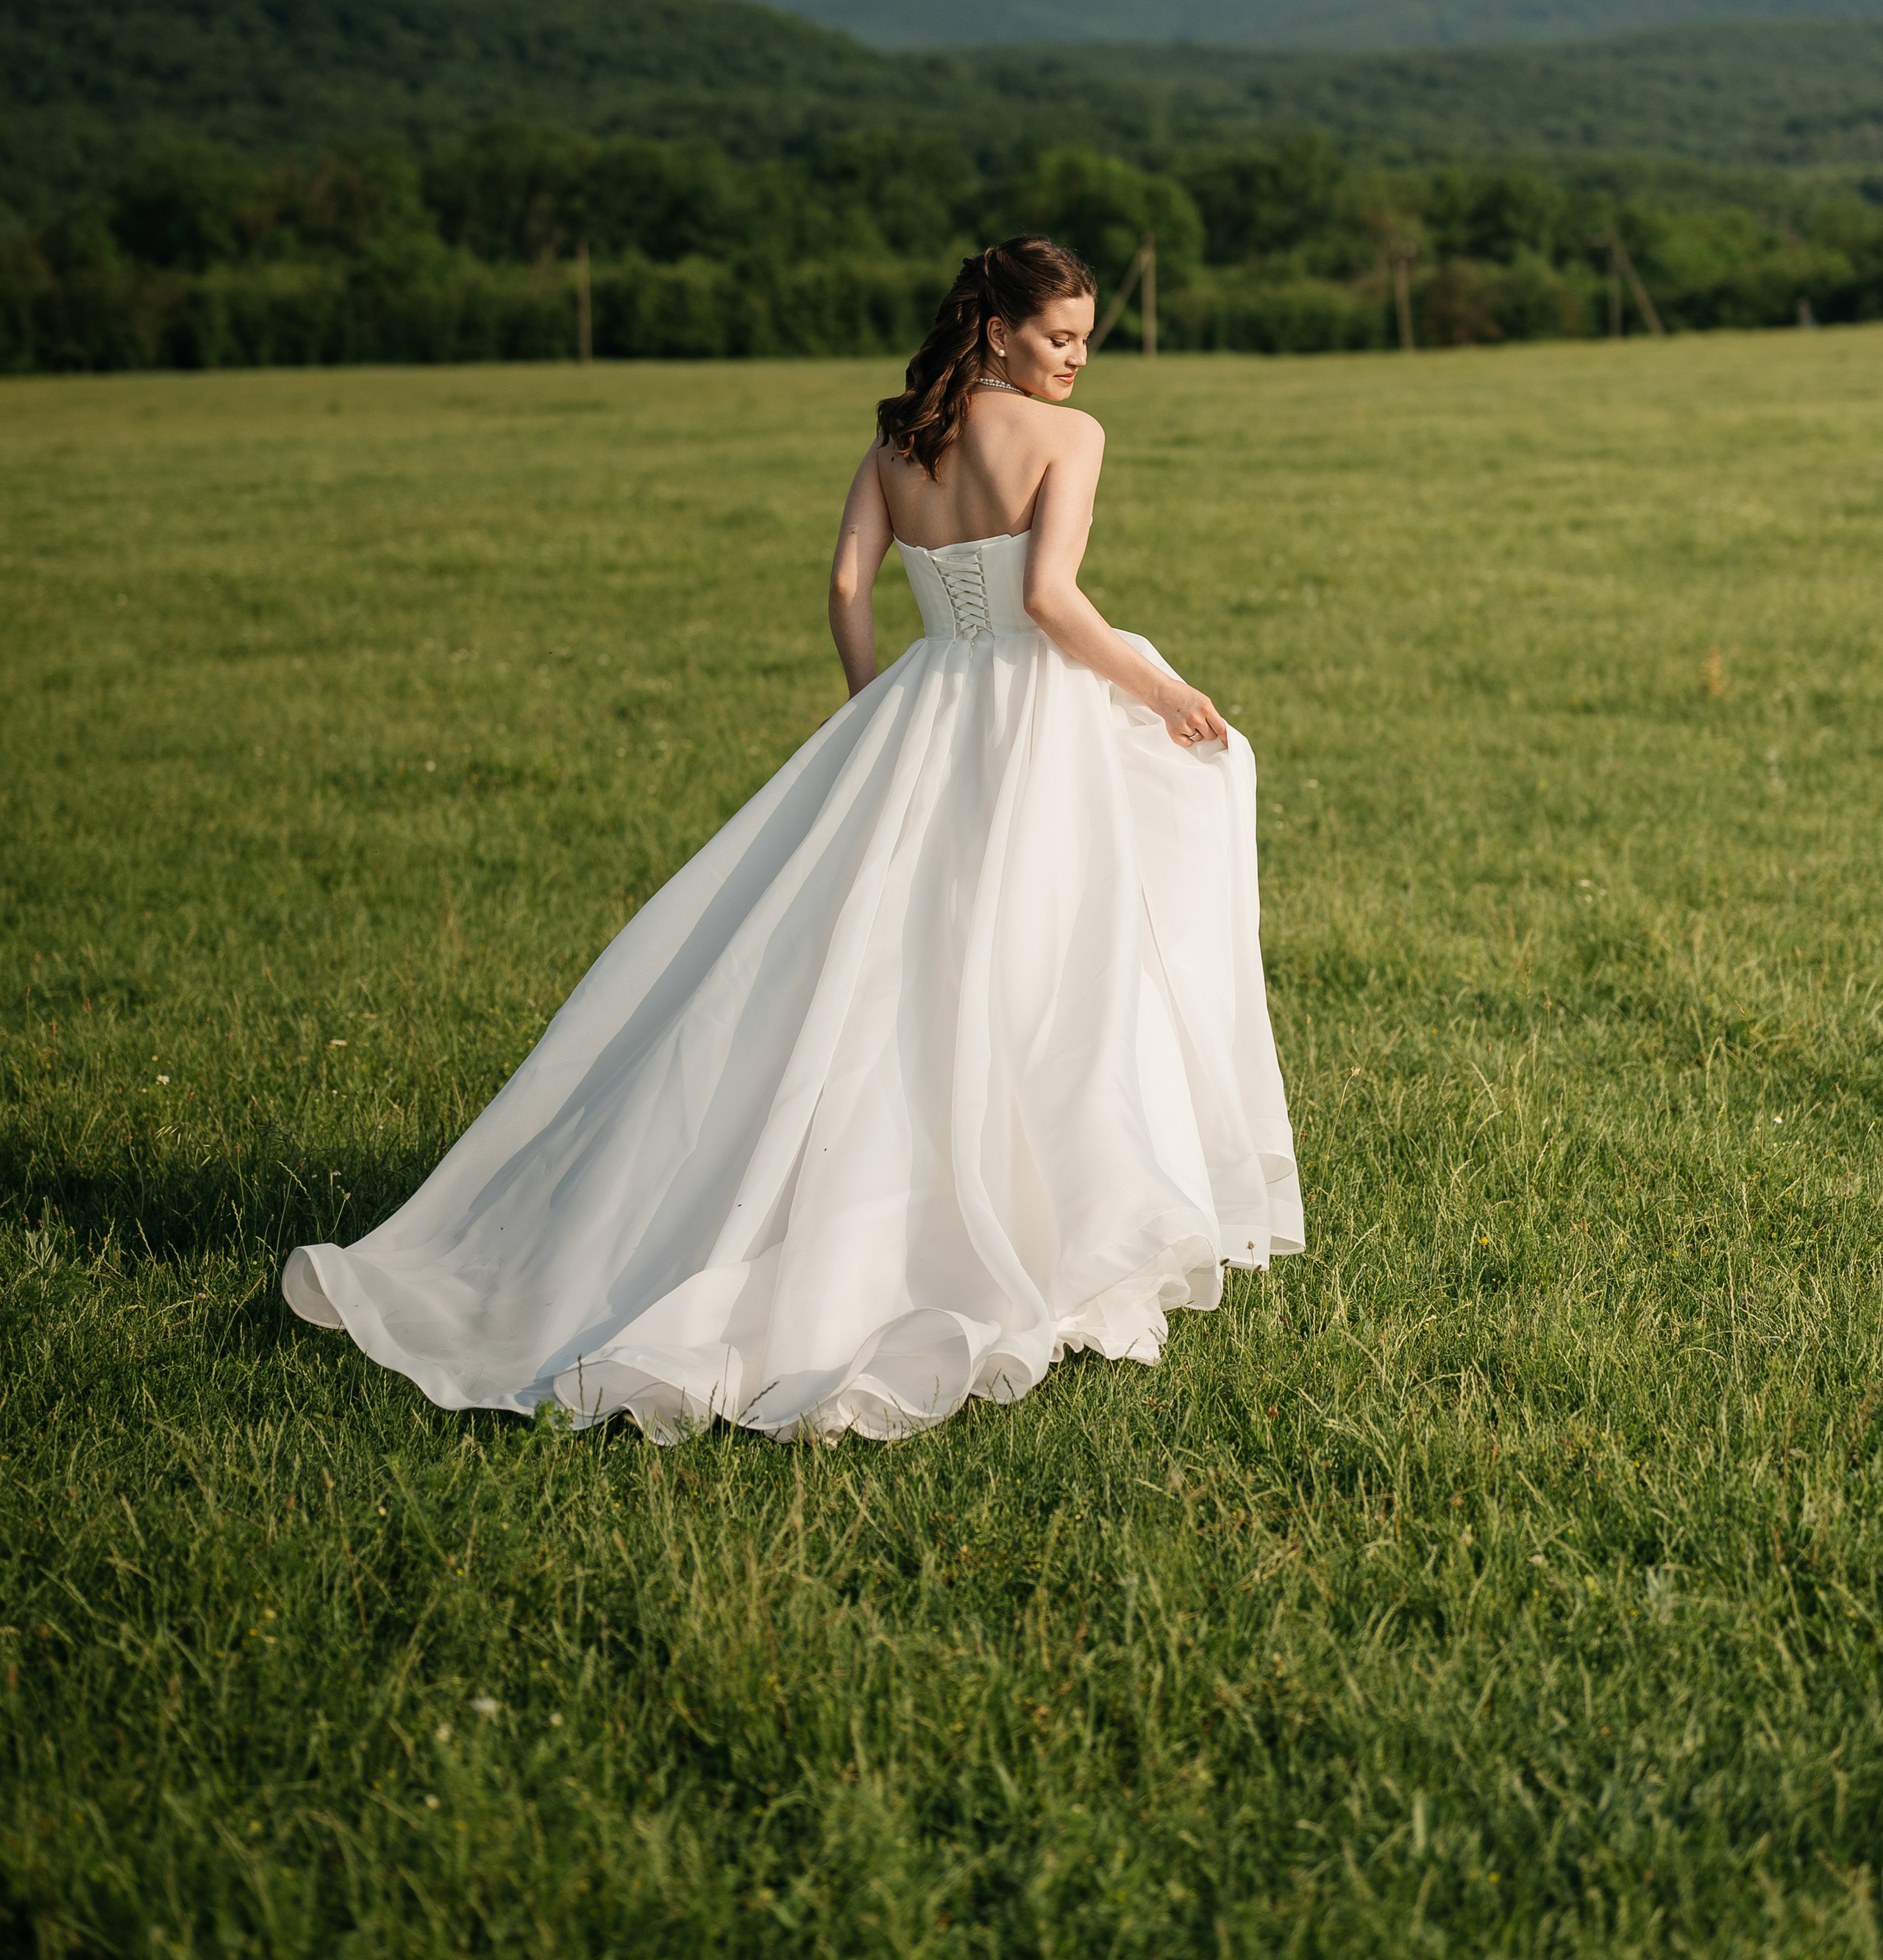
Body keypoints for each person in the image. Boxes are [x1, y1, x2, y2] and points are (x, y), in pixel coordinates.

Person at [282, 236, 1300, 1441]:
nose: (1079, 360)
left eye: (1087, 339)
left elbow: (845, 590)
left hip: (922, 710)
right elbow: (1047, 601)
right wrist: (1158, 690)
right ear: (997, 333)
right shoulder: (1069, 441)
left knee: (894, 969)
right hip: (1036, 720)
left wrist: (874, 706)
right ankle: (1040, 1224)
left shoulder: (895, 446)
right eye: (1061, 337)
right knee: (1045, 960)